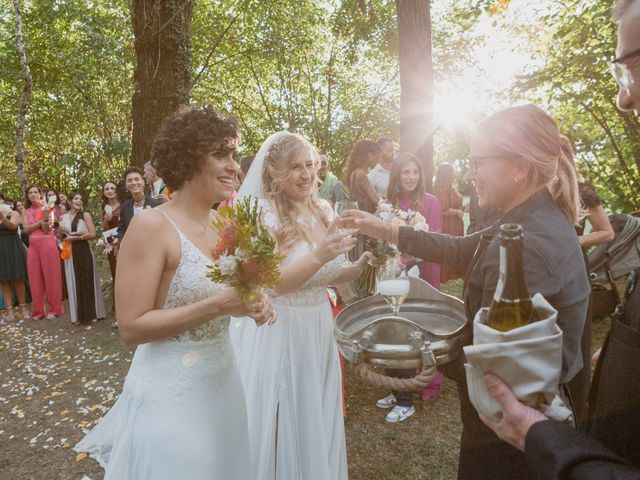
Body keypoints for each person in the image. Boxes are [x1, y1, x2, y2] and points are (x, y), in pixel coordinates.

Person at [344, 104, 590, 480]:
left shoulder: (529, 247)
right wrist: (385, 230)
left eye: (479, 162)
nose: (470, 172)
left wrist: (403, 343)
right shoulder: (523, 217)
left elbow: (497, 367)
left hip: (513, 440)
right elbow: (462, 248)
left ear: (519, 167)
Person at [480, 1, 640, 476]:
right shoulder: (529, 222)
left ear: (518, 167)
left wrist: (543, 440)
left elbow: (513, 363)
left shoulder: (538, 237)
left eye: (629, 64)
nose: (623, 99)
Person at [74, 105, 274, 479]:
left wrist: (253, 302)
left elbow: (231, 291)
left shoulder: (227, 224)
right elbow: (131, 326)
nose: (234, 166)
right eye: (221, 154)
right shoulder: (152, 226)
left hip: (224, 380)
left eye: (234, 154)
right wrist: (218, 305)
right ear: (188, 160)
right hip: (171, 392)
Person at [231, 131, 369, 480]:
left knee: (316, 412)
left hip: (319, 327)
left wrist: (362, 264)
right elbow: (273, 284)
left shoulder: (322, 209)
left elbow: (332, 275)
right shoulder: (262, 214)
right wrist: (322, 254)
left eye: (310, 165)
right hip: (282, 328)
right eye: (295, 167)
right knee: (283, 414)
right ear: (275, 172)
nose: (307, 174)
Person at [375, 152, 444, 422]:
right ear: (397, 175)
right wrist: (389, 257)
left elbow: (435, 239)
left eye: (415, 172)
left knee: (422, 324)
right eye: (406, 172)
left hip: (424, 270)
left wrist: (408, 258)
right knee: (396, 327)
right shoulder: (387, 204)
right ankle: (400, 386)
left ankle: (428, 380)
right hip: (393, 272)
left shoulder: (431, 202)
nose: (411, 177)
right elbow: (380, 236)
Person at [561, 136, 614, 427]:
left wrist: (575, 240)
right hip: (547, 268)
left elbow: (606, 232)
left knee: (576, 334)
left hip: (574, 266)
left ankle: (578, 408)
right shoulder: (539, 191)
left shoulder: (582, 190)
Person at [59, 192, 106, 325]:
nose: (79, 201)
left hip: (83, 249)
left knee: (86, 279)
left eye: (81, 199)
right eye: (76, 198)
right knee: (74, 280)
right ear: (69, 201)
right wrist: (60, 231)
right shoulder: (63, 217)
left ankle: (92, 313)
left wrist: (75, 238)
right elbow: (61, 236)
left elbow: (92, 234)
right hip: (70, 251)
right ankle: (78, 316)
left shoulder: (85, 215)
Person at [22, 185, 64, 320]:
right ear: (27, 195)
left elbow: (46, 229)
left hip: (47, 243)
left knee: (51, 276)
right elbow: (26, 229)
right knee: (34, 277)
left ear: (40, 194)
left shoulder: (47, 207)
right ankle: (38, 311)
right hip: (33, 246)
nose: (33, 195)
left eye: (35, 192)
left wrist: (45, 217)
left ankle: (56, 309)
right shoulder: (25, 210)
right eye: (30, 193)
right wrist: (40, 222)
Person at [433, 163, 466, 283]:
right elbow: (443, 209)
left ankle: (454, 272)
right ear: (447, 174)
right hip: (448, 225)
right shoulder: (442, 189)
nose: (455, 175)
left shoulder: (451, 188)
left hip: (455, 224)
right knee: (449, 248)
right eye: (453, 172)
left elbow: (454, 205)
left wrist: (463, 208)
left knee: (455, 248)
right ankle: (445, 274)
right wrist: (457, 211)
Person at [115, 166, 161, 248]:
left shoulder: (156, 204)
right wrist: (121, 243)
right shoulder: (125, 207)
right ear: (126, 185)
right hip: (133, 250)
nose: (133, 183)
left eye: (137, 179)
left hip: (154, 248)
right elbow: (121, 230)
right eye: (129, 181)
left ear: (143, 182)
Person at [0, 196, 29, 321]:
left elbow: (12, 226)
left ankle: (23, 308)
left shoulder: (14, 213)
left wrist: (2, 217)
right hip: (1, 248)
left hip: (13, 246)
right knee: (3, 279)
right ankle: (9, 310)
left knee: (18, 277)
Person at [344, 138, 382, 213]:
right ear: (370, 156)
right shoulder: (361, 174)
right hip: (365, 215)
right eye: (377, 157)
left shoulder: (354, 173)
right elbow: (377, 201)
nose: (378, 161)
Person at [100, 181, 122, 312]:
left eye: (112, 188)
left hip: (124, 241)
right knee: (116, 274)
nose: (109, 190)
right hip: (111, 244)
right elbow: (104, 229)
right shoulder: (103, 207)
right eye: (106, 189)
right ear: (104, 192)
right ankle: (117, 307)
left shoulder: (124, 205)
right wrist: (106, 220)